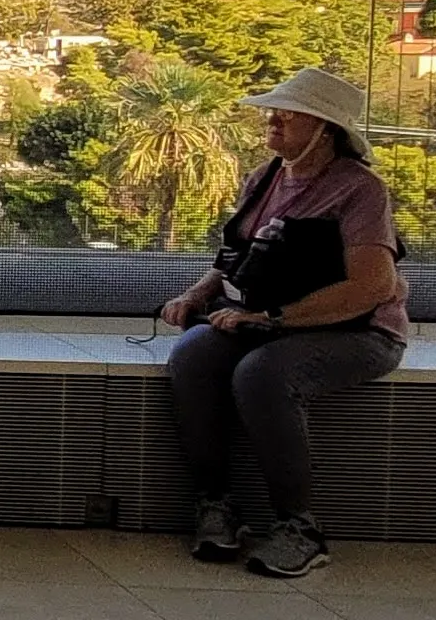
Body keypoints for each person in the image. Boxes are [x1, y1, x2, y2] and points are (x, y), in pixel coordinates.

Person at [157, 66, 409, 580]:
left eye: (288, 115)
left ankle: (299, 527)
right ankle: (216, 505)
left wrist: (273, 318)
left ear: (325, 130)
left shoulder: (360, 191)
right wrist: (196, 295)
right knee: (193, 357)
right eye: (273, 112)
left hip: (355, 331)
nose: (272, 121)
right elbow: (237, 258)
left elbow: (371, 286)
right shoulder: (265, 178)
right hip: (269, 320)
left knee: (263, 374)